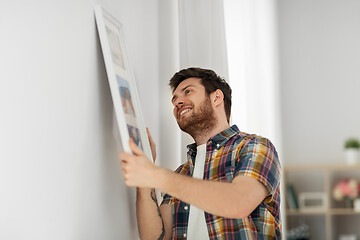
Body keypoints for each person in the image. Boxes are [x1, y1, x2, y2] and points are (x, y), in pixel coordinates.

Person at [120, 67, 282, 239]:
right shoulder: (182, 173)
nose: (177, 102)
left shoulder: (254, 146)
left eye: (187, 91)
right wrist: (144, 176)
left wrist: (156, 175)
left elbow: (239, 202)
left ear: (216, 97)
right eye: (174, 100)